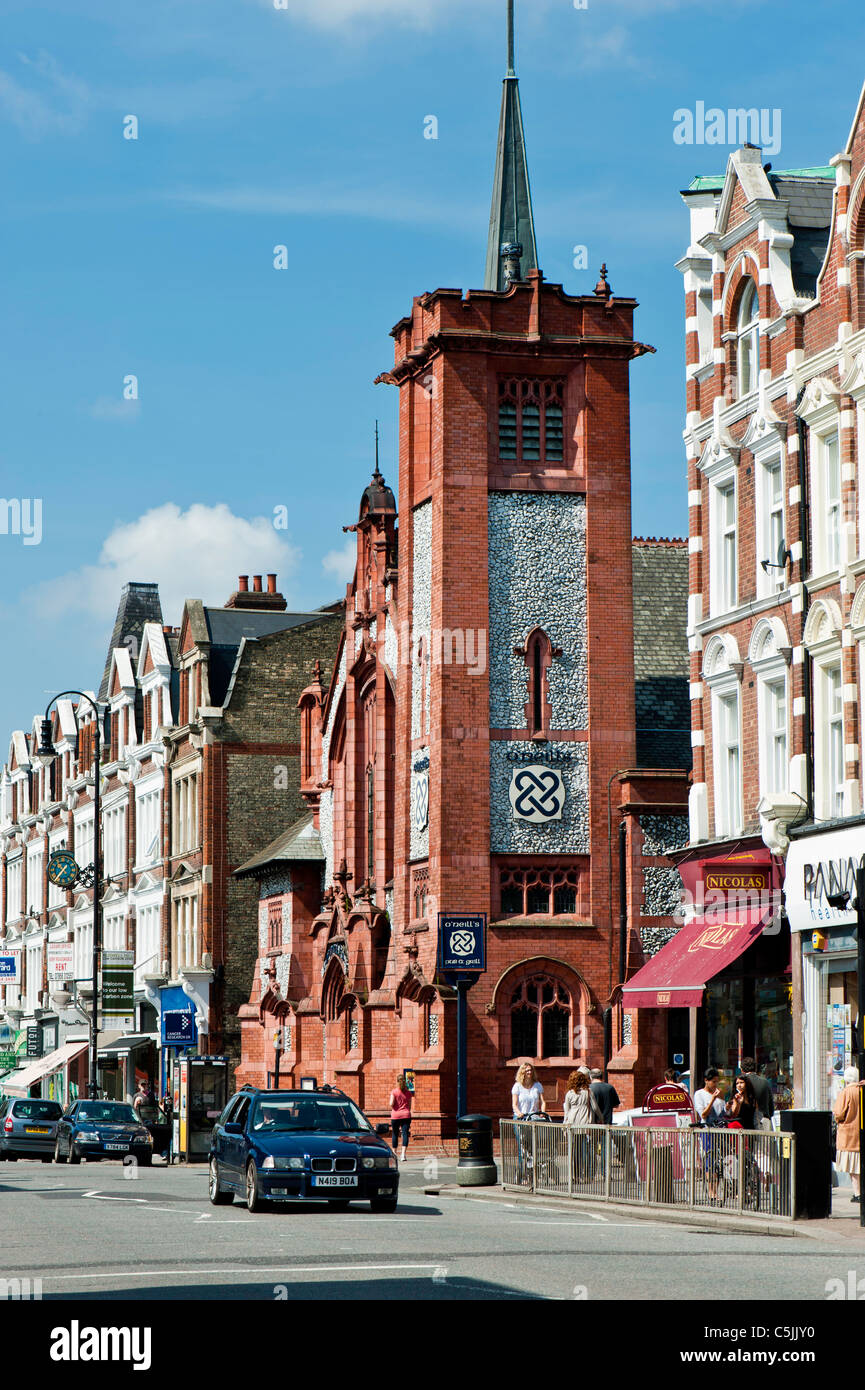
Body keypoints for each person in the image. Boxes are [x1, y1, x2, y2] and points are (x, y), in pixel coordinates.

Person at [562, 1070, 603, 1182]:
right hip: (586, 1125)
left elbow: (566, 1112)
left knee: (575, 1152)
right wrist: (601, 1118)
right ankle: (587, 1176)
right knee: (587, 1151)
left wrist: (564, 1127)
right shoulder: (588, 1092)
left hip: (572, 1124)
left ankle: (575, 1176)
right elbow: (595, 1108)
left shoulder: (569, 1094)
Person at [693, 1068, 727, 1202]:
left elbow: (724, 1112)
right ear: (706, 1081)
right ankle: (711, 1191)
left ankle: (716, 1190)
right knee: (710, 1160)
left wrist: (729, 1106)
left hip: (720, 1128)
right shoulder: (699, 1094)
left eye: (717, 1082)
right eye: (713, 1082)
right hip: (707, 1129)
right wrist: (712, 1099)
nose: (715, 1085)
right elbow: (703, 1114)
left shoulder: (720, 1094)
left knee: (720, 1161)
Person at [834, 1065, 863, 1204]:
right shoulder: (861, 1090)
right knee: (859, 1165)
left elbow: (838, 1113)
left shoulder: (846, 1092)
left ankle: (857, 1193)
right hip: (860, 1134)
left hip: (849, 1135)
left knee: (853, 1168)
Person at [741, 1056, 774, 1126]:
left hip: (745, 1123)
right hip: (764, 1121)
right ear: (755, 1068)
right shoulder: (765, 1082)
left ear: (742, 1070)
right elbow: (771, 1106)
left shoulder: (740, 1083)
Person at [389, 1072, 412, 1162]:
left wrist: (395, 1106)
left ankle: (394, 1154)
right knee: (405, 1133)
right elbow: (409, 1106)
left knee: (395, 1134)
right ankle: (403, 1155)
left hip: (396, 1116)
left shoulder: (394, 1092)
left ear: (397, 1081)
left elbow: (391, 1104)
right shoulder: (408, 1093)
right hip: (406, 1115)